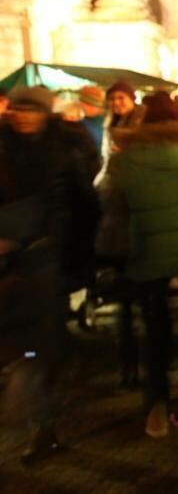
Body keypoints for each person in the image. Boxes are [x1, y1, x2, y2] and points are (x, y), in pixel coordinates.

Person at [106, 92, 178, 438]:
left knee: (155, 327)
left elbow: (115, 203)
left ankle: (157, 401)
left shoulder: (126, 159)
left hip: (148, 248)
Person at [1, 86, 99, 463]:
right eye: (18, 109)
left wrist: (72, 250)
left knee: (39, 341)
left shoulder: (65, 146)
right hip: (11, 261)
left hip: (49, 258)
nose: (23, 116)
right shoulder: (4, 148)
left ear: (45, 112)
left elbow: (82, 204)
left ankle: (41, 420)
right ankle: (39, 418)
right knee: (26, 340)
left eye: (31, 109)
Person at [76, 85, 106, 154]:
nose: (84, 107)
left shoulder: (106, 123)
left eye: (90, 104)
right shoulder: (77, 122)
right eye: (84, 103)